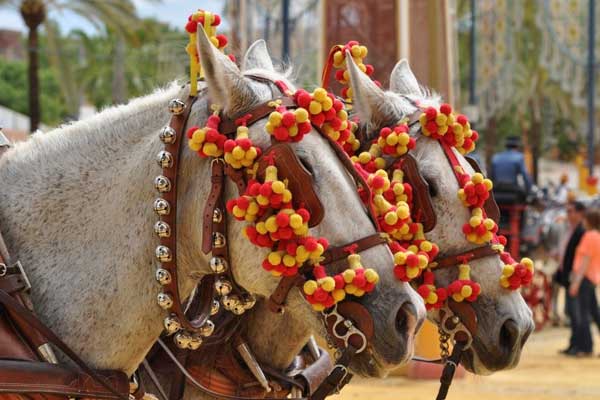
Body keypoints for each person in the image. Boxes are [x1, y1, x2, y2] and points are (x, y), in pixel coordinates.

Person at [568, 208, 600, 356]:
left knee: (584, 314)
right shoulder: (597, 236)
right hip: (592, 278)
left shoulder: (589, 236)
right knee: (594, 312)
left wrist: (576, 282)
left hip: (585, 279)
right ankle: (587, 345)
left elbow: (584, 261)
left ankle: (586, 347)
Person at [555, 201, 586, 351]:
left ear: (580, 213)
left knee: (577, 312)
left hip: (576, 276)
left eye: (571, 211)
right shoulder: (570, 229)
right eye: (567, 212)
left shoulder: (582, 231)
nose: (568, 215)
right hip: (568, 274)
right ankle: (574, 344)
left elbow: (581, 257)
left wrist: (575, 276)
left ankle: (579, 345)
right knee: (572, 312)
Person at [490, 136, 533, 202]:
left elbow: (491, 176)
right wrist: (528, 191)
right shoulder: (519, 157)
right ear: (517, 146)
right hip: (513, 191)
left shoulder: (496, 157)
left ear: (506, 146)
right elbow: (525, 176)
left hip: (497, 191)